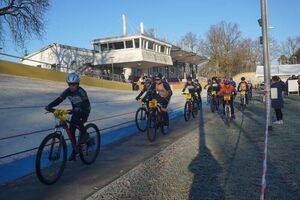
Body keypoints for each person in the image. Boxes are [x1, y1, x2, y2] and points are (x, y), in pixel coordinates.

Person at [45, 73, 91, 161]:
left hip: (85, 110)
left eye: (74, 84)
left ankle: (85, 135)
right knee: (71, 130)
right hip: (75, 110)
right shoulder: (67, 91)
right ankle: (75, 150)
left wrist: (80, 109)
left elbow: (86, 103)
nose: (72, 86)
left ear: (78, 84)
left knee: (78, 121)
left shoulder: (81, 91)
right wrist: (50, 106)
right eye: (70, 84)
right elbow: (59, 99)